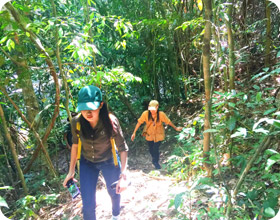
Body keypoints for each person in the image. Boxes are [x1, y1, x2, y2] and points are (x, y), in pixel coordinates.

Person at [63, 85, 129, 220]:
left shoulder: (111, 122)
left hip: (109, 161)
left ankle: (115, 215)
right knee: (87, 205)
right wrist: (71, 172)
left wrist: (124, 175)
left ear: (100, 105)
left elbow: (122, 148)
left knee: (114, 193)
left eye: (91, 108)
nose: (88, 113)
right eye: (84, 109)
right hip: (87, 163)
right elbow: (75, 146)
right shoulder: (77, 122)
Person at [131, 100, 182, 169]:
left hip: (159, 134)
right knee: (151, 149)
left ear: (157, 107)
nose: (152, 111)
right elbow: (139, 122)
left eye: (153, 109)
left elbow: (168, 122)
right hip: (149, 134)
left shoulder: (161, 114)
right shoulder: (145, 114)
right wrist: (134, 132)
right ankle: (154, 159)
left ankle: (156, 162)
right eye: (151, 109)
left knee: (156, 148)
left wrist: (175, 128)